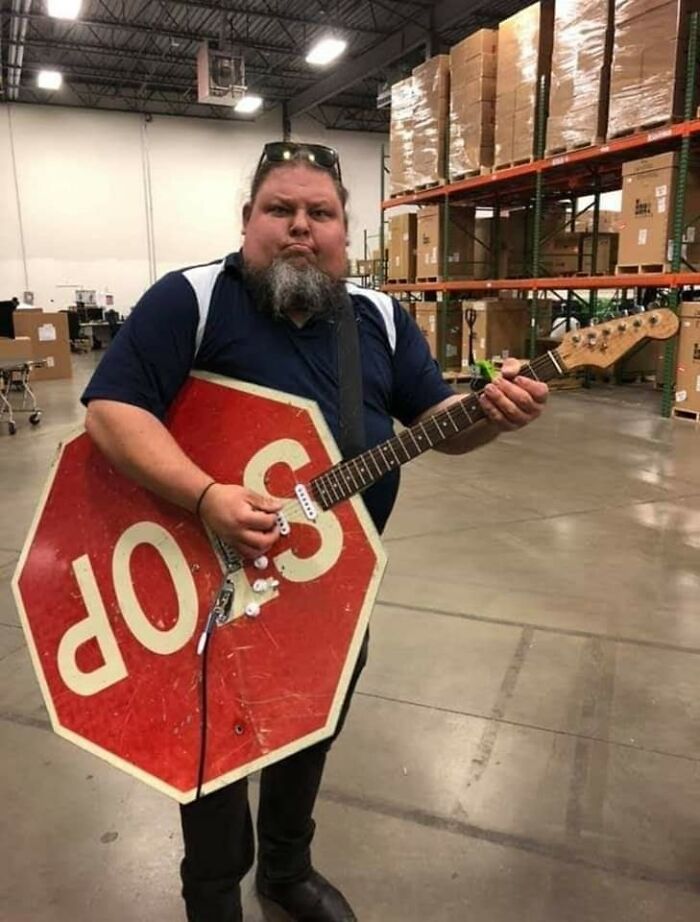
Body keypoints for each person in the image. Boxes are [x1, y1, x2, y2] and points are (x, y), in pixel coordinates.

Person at [81, 141, 548, 922]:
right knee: (212, 756)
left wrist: (490, 416)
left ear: (341, 229)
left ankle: (286, 872)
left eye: (320, 213)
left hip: (331, 591)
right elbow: (112, 410)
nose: (301, 226)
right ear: (248, 221)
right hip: (206, 585)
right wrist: (205, 496)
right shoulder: (191, 300)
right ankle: (212, 895)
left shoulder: (378, 318)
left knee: (309, 732)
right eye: (281, 209)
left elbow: (437, 422)